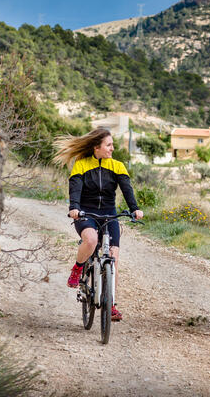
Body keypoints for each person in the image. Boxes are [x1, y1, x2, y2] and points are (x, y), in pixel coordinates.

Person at [53, 128, 143, 322]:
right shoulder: (81, 165)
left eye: (112, 145)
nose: (112, 148)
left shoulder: (118, 166)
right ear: (97, 147)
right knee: (91, 240)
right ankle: (78, 268)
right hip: (87, 213)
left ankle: (111, 304)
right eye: (108, 145)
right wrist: (74, 208)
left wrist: (135, 208)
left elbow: (127, 190)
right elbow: (75, 189)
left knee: (113, 259)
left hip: (109, 214)